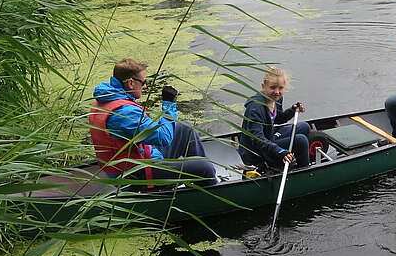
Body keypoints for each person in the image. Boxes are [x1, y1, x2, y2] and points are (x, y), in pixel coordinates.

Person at [89, 58, 217, 186]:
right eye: (143, 82)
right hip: (134, 173)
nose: (145, 86)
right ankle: (209, 190)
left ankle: (194, 181)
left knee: (185, 130)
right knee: (205, 168)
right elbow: (164, 137)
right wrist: (168, 105)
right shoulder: (124, 113)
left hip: (135, 159)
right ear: (131, 83)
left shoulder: (107, 98)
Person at [239, 66, 310, 170]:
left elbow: (278, 119)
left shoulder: (277, 98)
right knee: (301, 140)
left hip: (269, 138)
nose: (277, 92)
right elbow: (258, 139)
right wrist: (280, 151)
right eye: (272, 87)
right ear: (264, 86)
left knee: (304, 127)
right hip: (257, 152)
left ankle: (295, 158)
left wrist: (293, 110)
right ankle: (305, 171)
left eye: (280, 88)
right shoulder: (255, 108)